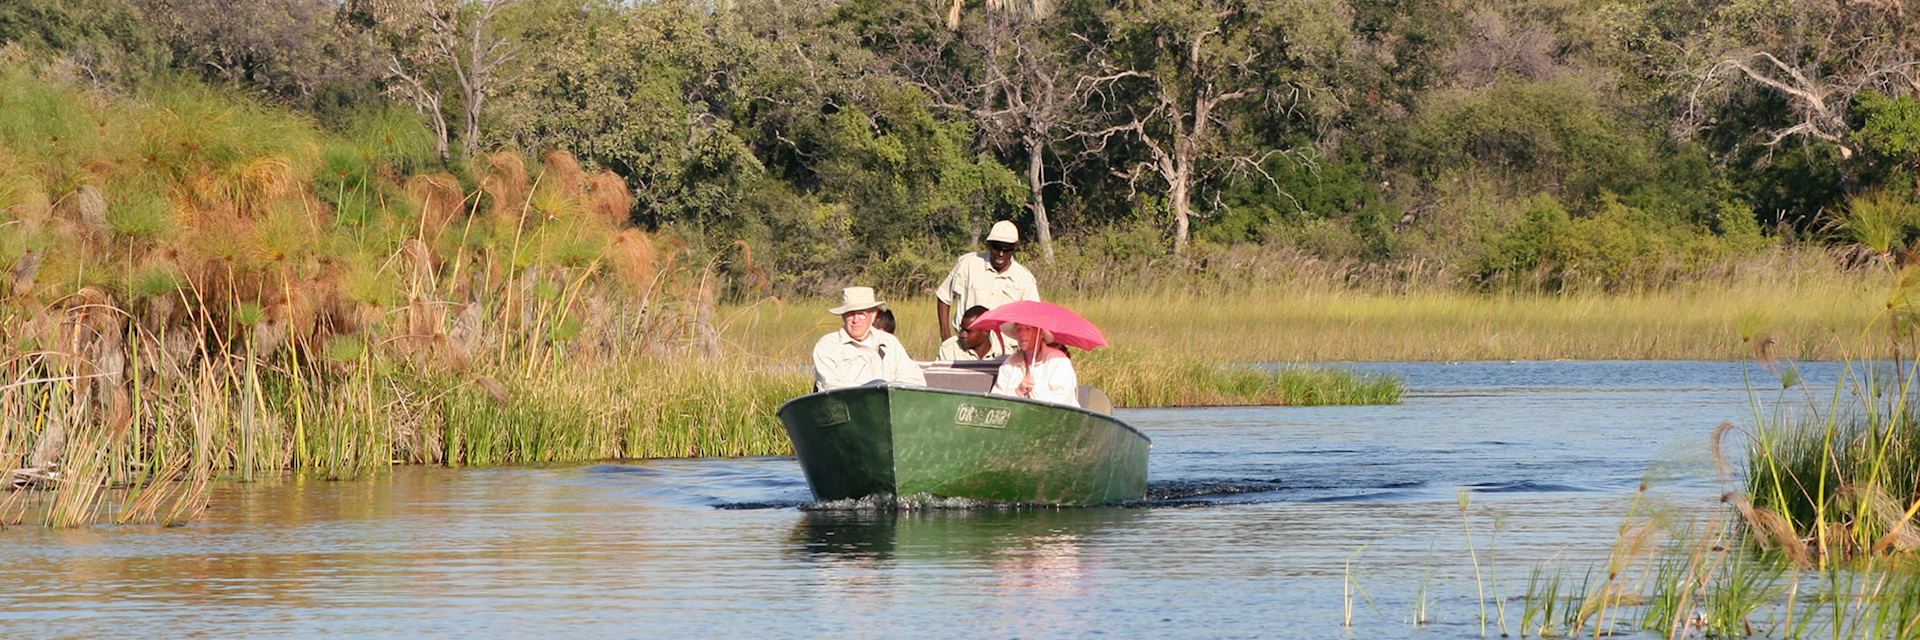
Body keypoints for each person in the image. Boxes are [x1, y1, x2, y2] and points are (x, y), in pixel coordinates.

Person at [935, 220, 1040, 344]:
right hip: (966, 346)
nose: (1001, 253)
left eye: (1007, 249)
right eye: (996, 248)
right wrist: (945, 337)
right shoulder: (969, 264)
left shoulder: (1024, 279)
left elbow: (1034, 319)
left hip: (1004, 352)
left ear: (1014, 248)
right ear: (989, 245)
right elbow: (943, 296)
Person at [812, 287, 927, 391]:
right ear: (843, 316)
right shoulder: (827, 345)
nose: (856, 320)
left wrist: (889, 390)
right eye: (851, 314)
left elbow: (915, 381)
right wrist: (870, 391)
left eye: (862, 314)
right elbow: (829, 387)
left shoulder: (890, 342)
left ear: (873, 315)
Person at [990, 323, 1078, 407]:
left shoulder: (1058, 361)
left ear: (1041, 333)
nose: (1022, 334)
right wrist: (1018, 392)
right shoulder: (1009, 363)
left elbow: (1062, 400)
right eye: (1019, 329)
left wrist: (1034, 392)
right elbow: (995, 400)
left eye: (1028, 329)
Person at [938, 305, 1006, 361]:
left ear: (986, 331)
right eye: (962, 329)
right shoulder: (949, 350)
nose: (962, 335)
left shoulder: (1004, 352)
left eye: (968, 331)